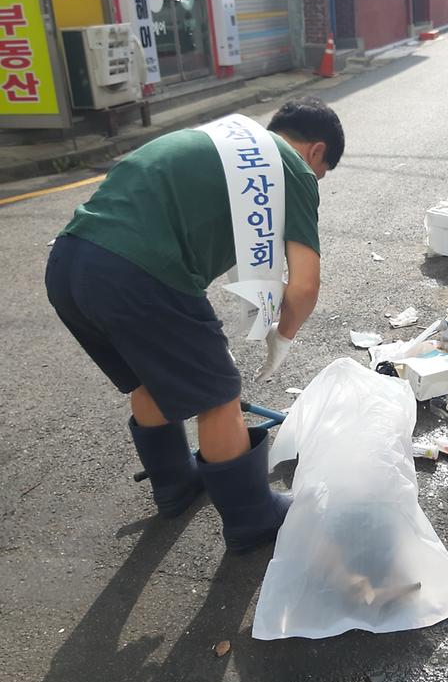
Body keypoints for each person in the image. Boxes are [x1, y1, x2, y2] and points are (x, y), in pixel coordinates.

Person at [45, 97, 345, 553]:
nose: (314, 182)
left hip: (69, 262)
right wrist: (282, 338)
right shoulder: (292, 167)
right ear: (316, 151)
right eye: (321, 174)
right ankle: (253, 520)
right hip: (139, 272)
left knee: (148, 377)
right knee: (220, 395)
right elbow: (304, 283)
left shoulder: (228, 137)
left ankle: (176, 485)